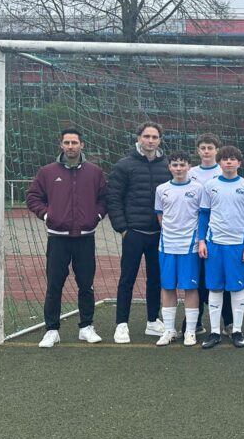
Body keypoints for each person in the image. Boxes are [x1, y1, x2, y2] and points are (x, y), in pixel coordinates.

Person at [26, 128, 108, 348]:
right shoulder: (47, 172)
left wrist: (96, 216)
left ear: (82, 145)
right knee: (54, 286)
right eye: (67, 142)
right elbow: (33, 197)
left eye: (74, 142)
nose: (71, 146)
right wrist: (47, 215)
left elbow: (104, 198)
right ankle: (52, 330)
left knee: (86, 285)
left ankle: (86, 327)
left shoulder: (95, 172)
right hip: (58, 238)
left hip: (85, 238)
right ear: (61, 145)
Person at [107, 122, 171, 344]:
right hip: (133, 232)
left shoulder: (167, 166)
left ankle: (152, 320)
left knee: (156, 279)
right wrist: (123, 229)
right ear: (138, 138)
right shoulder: (124, 165)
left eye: (154, 137)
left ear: (160, 140)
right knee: (127, 279)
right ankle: (121, 324)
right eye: (147, 136)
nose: (150, 140)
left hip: (159, 234)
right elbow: (113, 198)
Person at [197, 146, 244, 349]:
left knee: (236, 287)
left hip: (238, 245)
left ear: (239, 163)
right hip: (214, 244)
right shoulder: (210, 185)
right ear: (220, 163)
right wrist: (201, 241)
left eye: (233, 159)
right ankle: (215, 332)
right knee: (215, 287)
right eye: (225, 159)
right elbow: (204, 214)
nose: (229, 162)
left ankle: (237, 330)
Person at [153, 152, 203, 346]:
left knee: (190, 287)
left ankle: (190, 331)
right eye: (175, 165)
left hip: (190, 246)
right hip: (167, 246)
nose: (179, 168)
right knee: (167, 286)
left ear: (189, 166)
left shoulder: (198, 189)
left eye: (182, 165)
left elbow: (202, 216)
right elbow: (160, 216)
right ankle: (169, 330)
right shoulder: (161, 189)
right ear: (169, 167)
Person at [189, 133, 233, 336]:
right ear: (198, 151)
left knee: (222, 279)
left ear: (217, 150)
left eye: (210, 148)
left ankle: (229, 321)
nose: (206, 151)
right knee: (198, 278)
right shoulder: (190, 172)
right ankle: (195, 322)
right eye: (203, 148)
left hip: (220, 234)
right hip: (194, 233)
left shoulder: (224, 170)